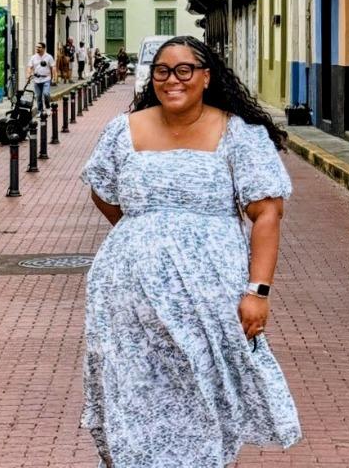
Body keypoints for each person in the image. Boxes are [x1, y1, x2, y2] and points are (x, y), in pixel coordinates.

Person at [80, 36, 301, 467]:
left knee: (205, 391)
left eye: (184, 70)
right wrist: (145, 237)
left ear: (205, 77)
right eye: (162, 70)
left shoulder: (238, 133)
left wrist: (258, 291)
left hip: (211, 300)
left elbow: (268, 214)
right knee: (132, 393)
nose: (172, 79)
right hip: (126, 303)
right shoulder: (123, 130)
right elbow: (103, 192)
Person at [26, 41, 55, 114]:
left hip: (46, 79)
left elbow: (53, 67)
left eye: (39, 47)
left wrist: (54, 77)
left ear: (44, 48)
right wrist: (28, 75)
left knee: (46, 94)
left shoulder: (49, 57)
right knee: (38, 96)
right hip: (36, 80)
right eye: (37, 47)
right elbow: (29, 67)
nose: (37, 48)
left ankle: (48, 107)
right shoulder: (33, 57)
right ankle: (40, 110)